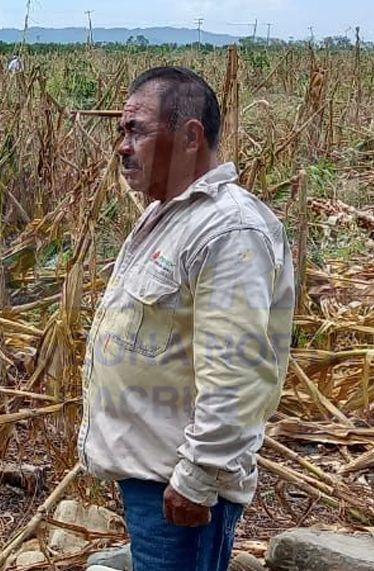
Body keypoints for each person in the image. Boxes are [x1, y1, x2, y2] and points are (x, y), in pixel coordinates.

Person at [76, 66, 294, 571]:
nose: (122, 147)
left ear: (190, 136)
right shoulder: (170, 214)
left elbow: (236, 372)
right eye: (121, 131)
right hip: (155, 473)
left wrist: (199, 477)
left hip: (181, 488)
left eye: (137, 130)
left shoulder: (230, 231)